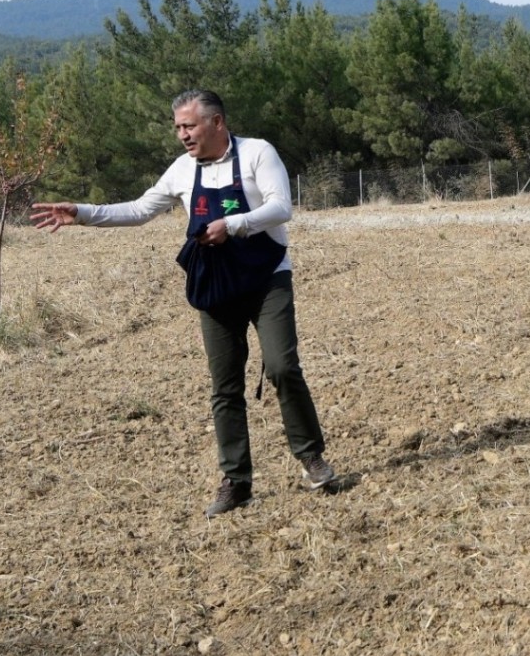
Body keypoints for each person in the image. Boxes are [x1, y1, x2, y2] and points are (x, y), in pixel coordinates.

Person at [31, 90, 337, 514]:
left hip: (268, 278)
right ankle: (236, 481)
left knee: (283, 366)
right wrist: (81, 212)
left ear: (216, 123)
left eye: (188, 126)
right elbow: (139, 210)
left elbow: (281, 208)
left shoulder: (256, 154)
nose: (182, 135)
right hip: (214, 285)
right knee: (225, 386)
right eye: (178, 127)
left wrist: (232, 224)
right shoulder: (181, 170)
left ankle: (310, 456)